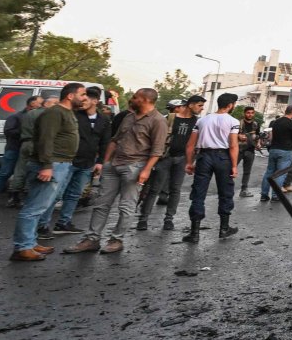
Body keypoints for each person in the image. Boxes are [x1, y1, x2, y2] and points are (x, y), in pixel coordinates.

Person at [66, 88, 166, 255]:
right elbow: (114, 140)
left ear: (145, 100)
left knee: (126, 206)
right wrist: (106, 162)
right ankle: (91, 239)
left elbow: (157, 150)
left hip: (135, 167)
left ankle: (116, 240)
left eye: (135, 97)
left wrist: (146, 170)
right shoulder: (129, 116)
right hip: (114, 165)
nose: (132, 99)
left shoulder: (158, 121)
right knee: (101, 204)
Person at [12, 83, 83, 262]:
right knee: (34, 207)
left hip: (61, 164)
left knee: (41, 207)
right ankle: (23, 247)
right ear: (70, 96)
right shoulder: (54, 112)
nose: (85, 98)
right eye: (82, 94)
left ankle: (30, 242)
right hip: (51, 164)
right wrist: (46, 165)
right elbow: (45, 139)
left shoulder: (67, 113)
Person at [44, 86, 112, 235]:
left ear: (95, 101)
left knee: (75, 194)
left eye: (85, 98)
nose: (82, 101)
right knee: (56, 194)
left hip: (87, 163)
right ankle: (43, 225)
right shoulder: (73, 115)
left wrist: (100, 161)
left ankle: (64, 222)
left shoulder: (104, 120)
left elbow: (105, 142)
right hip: (68, 161)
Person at [183, 92, 240, 242]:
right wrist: (234, 166)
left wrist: (189, 163)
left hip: (204, 157)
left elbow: (190, 145)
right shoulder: (233, 121)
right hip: (223, 157)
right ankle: (224, 228)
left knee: (198, 193)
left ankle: (194, 233)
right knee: (225, 192)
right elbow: (233, 145)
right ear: (230, 105)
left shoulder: (202, 120)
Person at [138, 97, 199, 232]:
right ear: (188, 105)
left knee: (175, 190)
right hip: (165, 157)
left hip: (182, 159)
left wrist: (191, 161)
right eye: (199, 105)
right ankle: (143, 219)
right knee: (154, 189)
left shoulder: (197, 122)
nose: (201, 108)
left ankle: (169, 219)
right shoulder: (169, 118)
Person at [0, 94, 41, 205]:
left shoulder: (37, 117)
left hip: (27, 149)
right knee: (5, 173)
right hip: (14, 149)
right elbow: (9, 131)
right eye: (39, 102)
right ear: (32, 104)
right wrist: (25, 133)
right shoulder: (15, 117)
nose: (41, 105)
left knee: (23, 174)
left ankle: (15, 198)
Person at [4, 93, 53, 205]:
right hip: (37, 144)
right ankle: (28, 195)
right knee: (34, 169)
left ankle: (14, 196)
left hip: (24, 143)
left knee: (20, 169)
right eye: (54, 103)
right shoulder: (47, 114)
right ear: (46, 104)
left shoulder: (28, 113)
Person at [262, 106, 292, 201]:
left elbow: (271, 135)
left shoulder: (275, 122)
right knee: (281, 173)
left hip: (273, 149)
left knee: (269, 172)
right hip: (285, 150)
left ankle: (264, 195)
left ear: (285, 111)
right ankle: (275, 196)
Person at [237, 107, 259, 197]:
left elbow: (257, 136)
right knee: (231, 169)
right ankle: (226, 188)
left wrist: (258, 143)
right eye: (248, 113)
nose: (250, 114)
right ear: (244, 113)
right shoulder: (238, 123)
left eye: (252, 113)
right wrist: (238, 135)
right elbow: (231, 134)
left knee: (247, 171)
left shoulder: (256, 124)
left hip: (250, 151)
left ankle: (244, 190)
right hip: (238, 150)